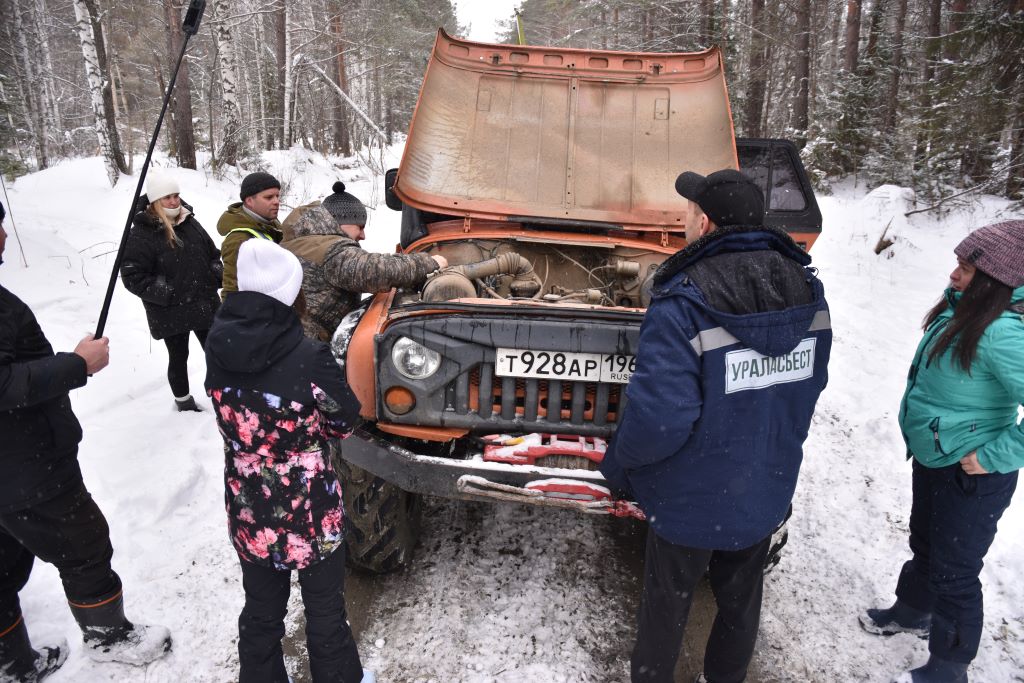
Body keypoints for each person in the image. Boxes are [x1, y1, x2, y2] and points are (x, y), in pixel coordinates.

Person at [599, 169, 832, 683]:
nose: (683, 219)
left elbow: (660, 419)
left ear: (703, 222)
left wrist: (619, 464)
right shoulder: (809, 292)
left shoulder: (683, 301)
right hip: (764, 482)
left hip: (689, 495)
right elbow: (809, 387)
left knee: (667, 604)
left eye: (687, 212)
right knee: (741, 601)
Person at [0, 200, 172, 682]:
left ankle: (12, 663)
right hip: (27, 469)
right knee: (84, 545)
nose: (6, 237)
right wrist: (76, 365)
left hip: (12, 471)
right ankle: (109, 639)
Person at [860, 220, 1024, 683]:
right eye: (958, 264)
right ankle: (913, 610)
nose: (955, 275)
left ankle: (949, 668)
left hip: (973, 472)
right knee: (927, 544)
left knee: (956, 571)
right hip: (937, 456)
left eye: (967, 269)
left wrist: (994, 457)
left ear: (997, 281)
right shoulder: (962, 313)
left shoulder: (1004, 333)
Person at [204, 239, 373, 683]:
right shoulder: (308, 357)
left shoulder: (216, 345)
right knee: (324, 614)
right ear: (291, 293)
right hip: (310, 513)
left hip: (248, 507)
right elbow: (344, 421)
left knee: (261, 613)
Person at [281, 181, 445, 340]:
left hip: (292, 339)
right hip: (308, 347)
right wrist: (430, 262)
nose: (363, 235)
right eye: (360, 226)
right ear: (340, 222)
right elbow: (376, 271)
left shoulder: (302, 242)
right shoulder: (330, 250)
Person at [119, 172, 222, 412]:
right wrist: (168, 293)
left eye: (176, 195)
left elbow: (212, 253)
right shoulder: (141, 233)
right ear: (155, 201)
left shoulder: (189, 221)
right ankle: (184, 403)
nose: (174, 201)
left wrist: (214, 273)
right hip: (171, 310)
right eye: (167, 197)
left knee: (217, 352)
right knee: (179, 356)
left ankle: (221, 394)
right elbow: (133, 276)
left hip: (204, 301)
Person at [217, 171, 284, 299]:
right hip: (259, 313)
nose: (276, 201)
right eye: (269, 197)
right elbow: (232, 290)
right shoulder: (238, 240)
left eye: (277, 196)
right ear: (249, 201)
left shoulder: (273, 226)